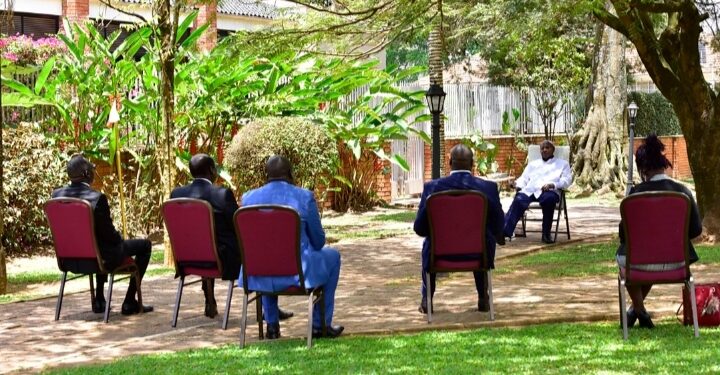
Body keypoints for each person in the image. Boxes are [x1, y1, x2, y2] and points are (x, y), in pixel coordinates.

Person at [239, 156, 343, 339]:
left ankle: (272, 326)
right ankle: (320, 325)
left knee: (266, 257)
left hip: (257, 272)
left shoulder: (248, 199)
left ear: (266, 175)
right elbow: (319, 242)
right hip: (297, 274)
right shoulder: (304, 197)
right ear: (290, 174)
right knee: (333, 256)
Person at [616, 134, 702, 329]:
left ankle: (638, 310)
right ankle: (638, 311)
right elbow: (696, 230)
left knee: (627, 263)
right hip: (678, 265)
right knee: (649, 258)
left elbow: (624, 235)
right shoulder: (684, 193)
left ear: (643, 169)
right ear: (664, 164)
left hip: (639, 264)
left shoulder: (636, 194)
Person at [52, 154, 153, 315]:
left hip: (68, 260)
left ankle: (99, 299)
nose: (93, 172)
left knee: (99, 243)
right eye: (91, 169)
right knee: (144, 245)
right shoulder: (96, 198)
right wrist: (120, 239)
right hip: (101, 259)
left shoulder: (56, 196)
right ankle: (129, 302)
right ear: (86, 174)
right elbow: (109, 235)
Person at [413, 144, 505, 314]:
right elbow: (500, 224)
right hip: (478, 255)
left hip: (439, 254)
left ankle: (427, 300)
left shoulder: (432, 188)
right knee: (483, 238)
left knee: (430, 242)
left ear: (449, 162)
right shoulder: (488, 188)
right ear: (472, 164)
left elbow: (419, 227)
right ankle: (483, 297)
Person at [503, 140, 572, 244]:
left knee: (549, 200)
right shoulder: (533, 164)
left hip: (549, 191)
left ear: (553, 150)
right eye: (542, 148)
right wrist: (516, 184)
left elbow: (567, 180)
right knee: (519, 199)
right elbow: (524, 179)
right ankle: (504, 232)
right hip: (531, 190)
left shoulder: (562, 164)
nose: (544, 150)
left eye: (547, 147)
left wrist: (553, 185)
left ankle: (546, 234)